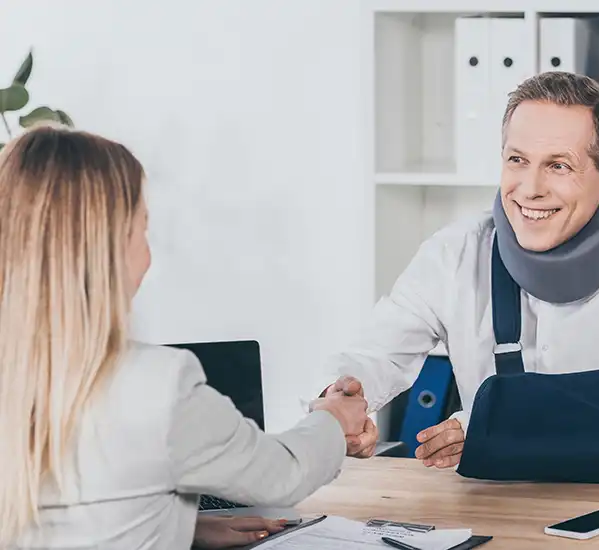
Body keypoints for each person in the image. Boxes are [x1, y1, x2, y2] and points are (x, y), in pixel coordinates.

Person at [311, 71, 599, 478]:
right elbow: (379, 353)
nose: (530, 188)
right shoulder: (454, 254)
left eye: (559, 166)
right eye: (518, 160)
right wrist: (345, 402)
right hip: (493, 507)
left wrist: (500, 422)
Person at [0, 125, 369, 549]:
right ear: (108, 249)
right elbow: (282, 475)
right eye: (143, 229)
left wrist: (181, 527)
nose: (148, 251)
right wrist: (334, 418)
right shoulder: (155, 385)